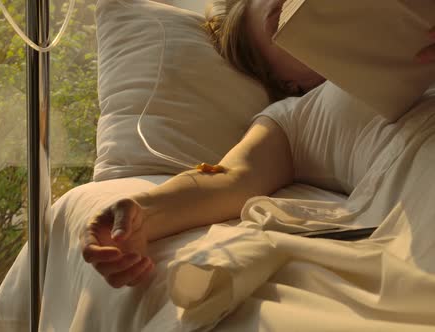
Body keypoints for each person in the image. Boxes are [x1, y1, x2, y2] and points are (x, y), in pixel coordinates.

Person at [79, 0, 435, 289]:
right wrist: (140, 213)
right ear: (288, 80)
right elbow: (230, 176)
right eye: (282, 17)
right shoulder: (296, 115)